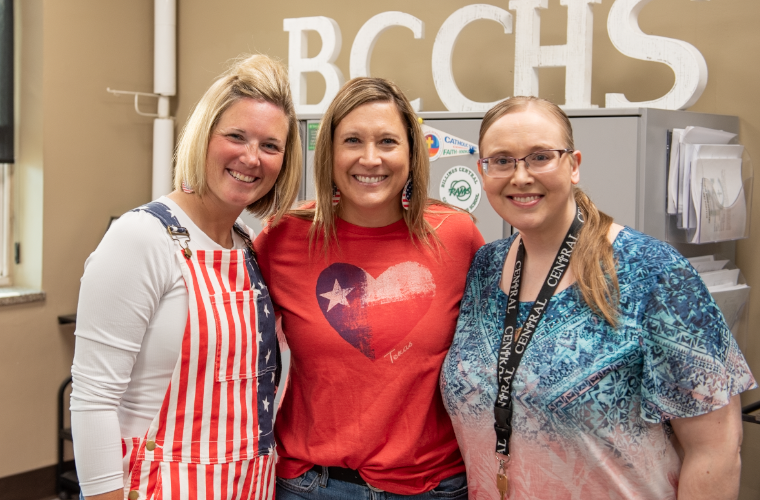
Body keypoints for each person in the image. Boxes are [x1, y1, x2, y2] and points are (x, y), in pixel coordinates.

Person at [440, 96, 756, 500]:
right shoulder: (485, 267)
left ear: (574, 165)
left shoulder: (653, 272)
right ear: (482, 173)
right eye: (501, 161)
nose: (520, 176)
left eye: (540, 157)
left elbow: (716, 449)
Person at [70, 54, 302, 500]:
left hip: (248, 486)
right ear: (203, 137)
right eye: (236, 136)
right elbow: (93, 399)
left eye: (270, 146)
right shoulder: (140, 239)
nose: (251, 158)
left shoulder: (247, 243)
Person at [253, 77, 484, 499]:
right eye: (353, 140)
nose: (370, 158)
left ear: (412, 153)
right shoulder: (284, 238)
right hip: (312, 485)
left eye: (388, 142)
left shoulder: (457, 235)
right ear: (330, 153)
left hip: (432, 487)